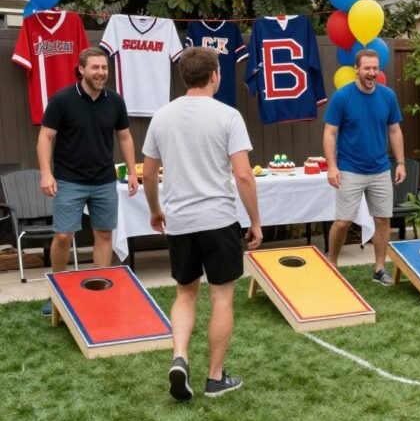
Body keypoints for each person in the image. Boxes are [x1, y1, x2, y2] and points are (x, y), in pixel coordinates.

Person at [141, 47, 262, 401]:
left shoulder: (161, 117)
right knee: (222, 297)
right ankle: (214, 378)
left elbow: (148, 174)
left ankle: (180, 356)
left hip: (179, 221)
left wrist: (155, 209)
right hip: (219, 220)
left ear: (183, 77)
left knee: (185, 293)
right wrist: (255, 221)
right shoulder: (228, 116)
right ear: (215, 76)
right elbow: (243, 175)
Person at [36, 46, 139, 317]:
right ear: (81, 69)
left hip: (105, 180)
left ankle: (99, 288)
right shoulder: (62, 100)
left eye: (104, 68)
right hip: (69, 180)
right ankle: (57, 291)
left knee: (104, 234)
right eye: (95, 67)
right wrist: (46, 173)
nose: (101, 73)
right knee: (63, 235)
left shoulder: (115, 101)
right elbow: (46, 137)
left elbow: (125, 137)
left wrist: (132, 172)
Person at [323, 49, 405, 283]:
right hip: (349, 169)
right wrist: (332, 166)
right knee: (342, 222)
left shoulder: (388, 96)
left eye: (375, 68)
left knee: (382, 220)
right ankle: (333, 266)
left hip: (380, 169)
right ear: (357, 69)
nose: (372, 73)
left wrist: (400, 162)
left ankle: (379, 269)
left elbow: (394, 130)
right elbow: (330, 132)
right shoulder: (342, 96)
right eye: (367, 68)